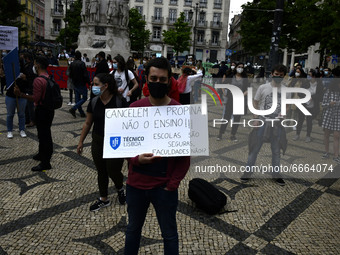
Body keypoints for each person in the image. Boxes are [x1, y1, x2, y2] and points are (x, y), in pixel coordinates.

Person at [124, 57, 190, 255]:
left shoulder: (180, 112)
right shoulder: (135, 109)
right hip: (136, 185)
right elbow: (125, 147)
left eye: (162, 79)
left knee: (169, 234)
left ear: (170, 81)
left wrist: (173, 184)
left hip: (164, 188)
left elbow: (185, 156)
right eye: (154, 78)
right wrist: (136, 160)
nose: (158, 82)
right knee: (132, 230)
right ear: (146, 79)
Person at [77, 73, 128, 211]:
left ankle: (120, 187)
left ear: (105, 86)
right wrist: (81, 141)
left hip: (115, 142)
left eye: (96, 84)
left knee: (113, 170)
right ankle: (103, 198)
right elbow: (88, 123)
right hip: (98, 141)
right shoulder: (94, 102)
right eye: (93, 84)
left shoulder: (119, 101)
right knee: (101, 170)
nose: (93, 86)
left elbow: (127, 123)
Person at [241, 64, 289, 186]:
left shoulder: (285, 90)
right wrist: (256, 118)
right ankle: (248, 172)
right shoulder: (263, 87)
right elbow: (255, 102)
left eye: (281, 75)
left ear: (284, 76)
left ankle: (276, 174)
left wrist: (283, 115)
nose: (278, 76)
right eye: (276, 74)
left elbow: (286, 105)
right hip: (262, 120)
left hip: (277, 123)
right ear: (272, 74)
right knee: (254, 148)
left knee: (276, 150)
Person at [14, 56, 55, 171]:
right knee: (44, 133)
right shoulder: (48, 77)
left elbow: (35, 98)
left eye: (35, 63)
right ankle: (41, 154)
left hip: (42, 110)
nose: (33, 66)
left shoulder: (38, 80)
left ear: (37, 65)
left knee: (44, 135)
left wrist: (21, 94)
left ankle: (45, 162)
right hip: (49, 109)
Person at [217, 62, 249, 141]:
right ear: (236, 67)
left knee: (237, 118)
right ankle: (220, 133)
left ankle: (233, 134)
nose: (240, 68)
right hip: (230, 99)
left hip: (240, 100)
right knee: (226, 117)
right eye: (239, 66)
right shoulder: (231, 77)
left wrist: (242, 95)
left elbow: (248, 89)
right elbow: (223, 84)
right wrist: (224, 93)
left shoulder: (245, 78)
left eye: (242, 67)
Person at [293, 69, 323, 142]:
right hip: (303, 105)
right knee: (300, 120)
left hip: (312, 106)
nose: (309, 76)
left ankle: (308, 136)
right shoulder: (305, 83)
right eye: (308, 75)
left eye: (310, 75)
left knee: (309, 121)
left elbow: (321, 96)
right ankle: (297, 134)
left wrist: (312, 97)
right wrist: (306, 96)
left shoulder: (319, 85)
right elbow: (299, 93)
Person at [321, 66, 340, 164]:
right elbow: (323, 104)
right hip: (329, 114)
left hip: (338, 115)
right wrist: (329, 104)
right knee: (326, 134)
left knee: (337, 136)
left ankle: (336, 155)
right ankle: (326, 152)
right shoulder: (329, 90)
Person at [68, 51, 90, 118]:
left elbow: (69, 74)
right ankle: (74, 108)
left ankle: (81, 113)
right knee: (84, 97)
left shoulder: (72, 64)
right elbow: (85, 74)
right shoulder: (82, 63)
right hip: (81, 82)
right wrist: (88, 82)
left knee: (77, 98)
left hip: (75, 83)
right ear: (80, 56)